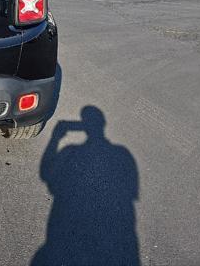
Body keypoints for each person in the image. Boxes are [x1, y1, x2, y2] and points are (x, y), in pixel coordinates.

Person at [32, 106, 140, 266]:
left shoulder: (70, 151)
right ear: (103, 124)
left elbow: (45, 175)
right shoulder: (122, 153)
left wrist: (55, 138)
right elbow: (131, 192)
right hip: (121, 229)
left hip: (66, 220)